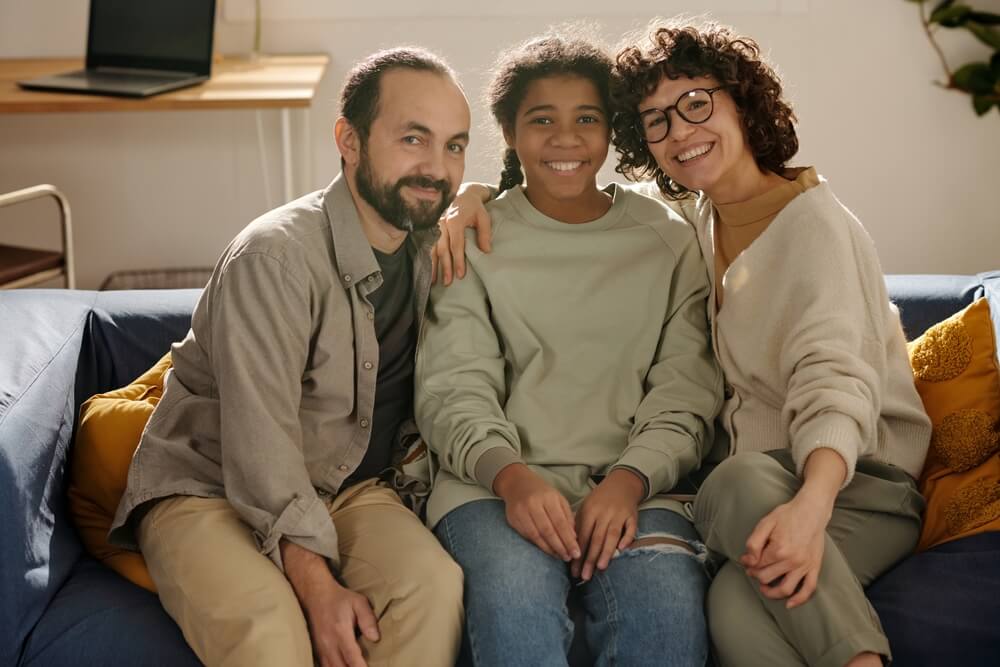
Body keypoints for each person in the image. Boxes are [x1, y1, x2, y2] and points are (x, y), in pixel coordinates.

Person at [438, 19, 932, 667]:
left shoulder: (798, 228)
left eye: (697, 104)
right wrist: (472, 194)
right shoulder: (695, 218)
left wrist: (804, 508)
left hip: (837, 481)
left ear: (741, 101)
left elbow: (827, 383)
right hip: (734, 487)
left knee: (718, 520)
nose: (681, 132)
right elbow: (568, 195)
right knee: (727, 603)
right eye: (657, 120)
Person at [108, 47, 470, 667]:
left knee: (433, 591)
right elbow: (258, 441)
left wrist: (483, 195)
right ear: (348, 140)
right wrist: (316, 584)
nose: (437, 168)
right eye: (414, 138)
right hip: (210, 487)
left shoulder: (431, 241)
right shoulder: (274, 259)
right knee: (274, 633)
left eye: (455, 146)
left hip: (350, 485)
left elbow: (551, 187)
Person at [415, 34, 722, 667]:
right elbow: (454, 384)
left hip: (643, 491)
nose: (566, 139)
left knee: (665, 623)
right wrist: (514, 478)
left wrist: (630, 481)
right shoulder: (474, 238)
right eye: (542, 120)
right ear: (508, 130)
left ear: (611, 130)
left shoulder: (666, 237)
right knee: (515, 611)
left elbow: (687, 386)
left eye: (587, 119)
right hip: (494, 490)